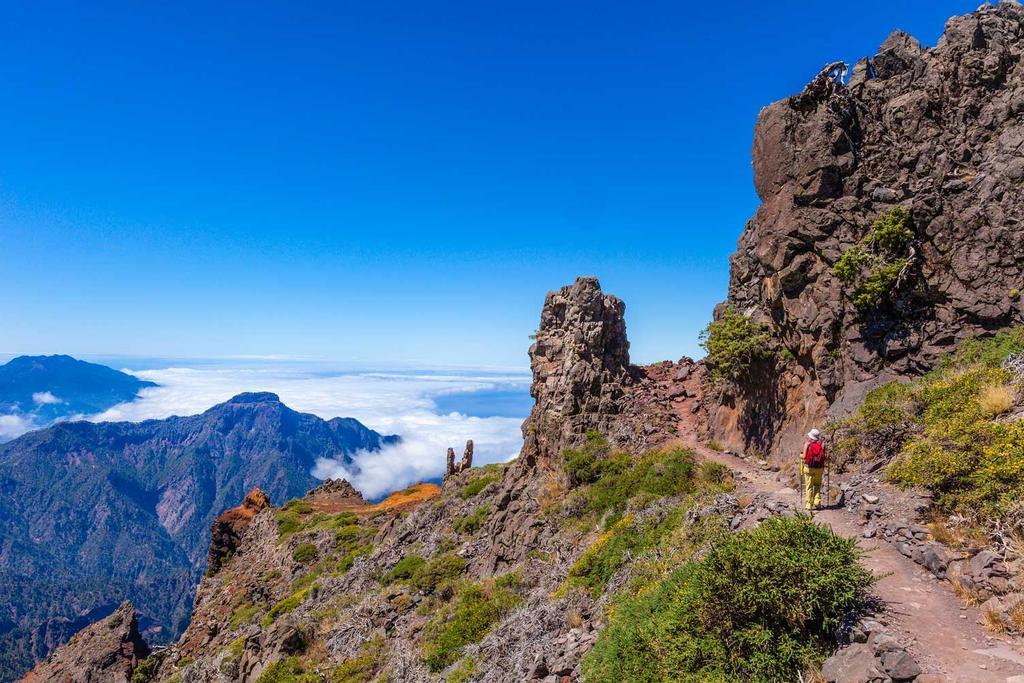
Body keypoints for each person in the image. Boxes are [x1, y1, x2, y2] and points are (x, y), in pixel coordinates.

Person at [800, 428, 827, 511]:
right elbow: (825, 457)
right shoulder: (822, 445)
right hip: (819, 468)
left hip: (809, 468)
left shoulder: (807, 444)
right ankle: (817, 501)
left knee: (809, 486)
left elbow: (804, 456)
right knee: (817, 484)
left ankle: (809, 505)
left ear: (810, 436)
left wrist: (800, 455)